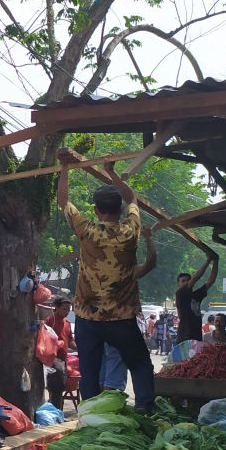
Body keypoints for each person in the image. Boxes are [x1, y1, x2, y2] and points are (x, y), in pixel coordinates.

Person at [57, 153, 154, 411]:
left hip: (88, 320)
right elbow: (132, 198)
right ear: (120, 210)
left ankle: (89, 418)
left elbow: (63, 201)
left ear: (97, 210)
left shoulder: (87, 231)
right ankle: (144, 411)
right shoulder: (130, 230)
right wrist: (111, 171)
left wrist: (65, 167)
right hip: (122, 319)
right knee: (141, 365)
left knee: (89, 373)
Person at [99, 225, 157, 392]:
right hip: (119, 324)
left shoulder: (95, 269)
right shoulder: (124, 271)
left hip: (97, 324)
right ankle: (111, 406)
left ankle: (99, 407)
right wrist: (148, 238)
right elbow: (151, 263)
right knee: (122, 367)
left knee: (104, 368)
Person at [175, 256, 218, 344]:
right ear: (178, 284)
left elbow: (211, 281)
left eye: (188, 280)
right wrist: (208, 260)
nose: (186, 282)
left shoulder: (197, 295)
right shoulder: (179, 294)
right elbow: (195, 278)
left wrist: (216, 262)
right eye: (183, 281)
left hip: (197, 336)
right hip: (184, 337)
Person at [43, 298, 74, 410]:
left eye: (69, 310)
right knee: (55, 387)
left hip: (64, 359)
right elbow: (44, 339)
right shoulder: (50, 321)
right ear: (57, 307)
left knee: (61, 387)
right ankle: (55, 412)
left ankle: (57, 412)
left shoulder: (67, 323)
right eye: (64, 309)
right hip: (54, 360)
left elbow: (70, 340)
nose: (67, 312)